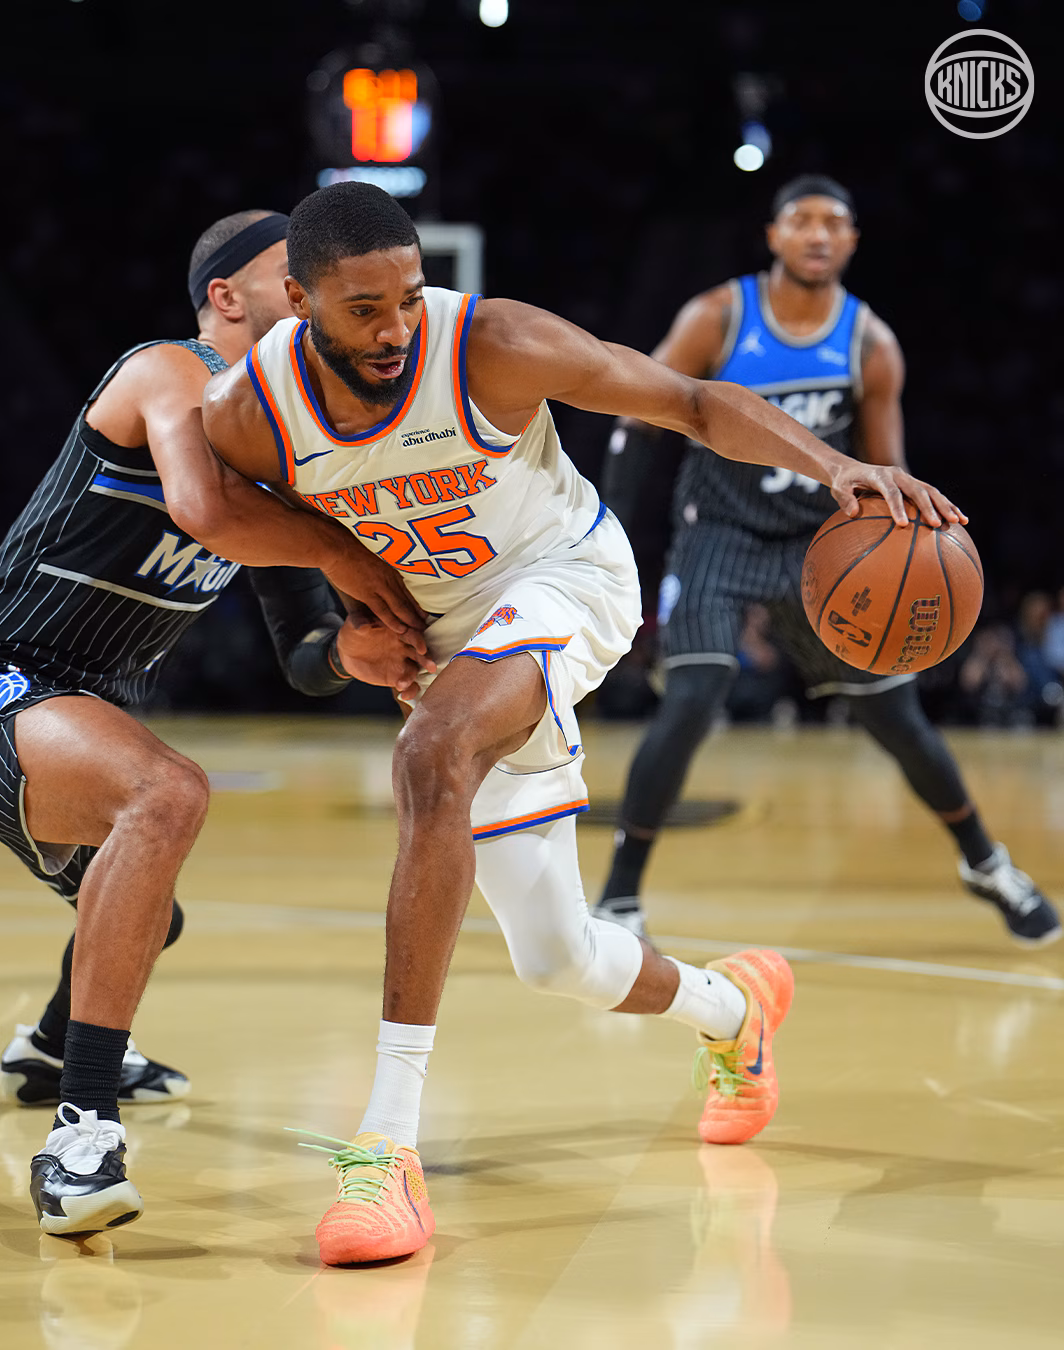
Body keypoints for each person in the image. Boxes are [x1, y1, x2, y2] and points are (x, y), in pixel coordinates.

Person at [202, 180, 963, 1266]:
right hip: (455, 642)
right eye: (364, 309)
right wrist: (336, 621)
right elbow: (251, 538)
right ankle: (734, 1009)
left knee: (430, 755)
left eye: (409, 297)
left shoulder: (492, 345)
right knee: (556, 956)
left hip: (568, 581)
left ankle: (386, 1147)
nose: (395, 328)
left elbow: (691, 402)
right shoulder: (248, 412)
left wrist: (840, 468)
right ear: (298, 298)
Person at [0, 208, 434, 1238]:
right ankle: (80, 1135)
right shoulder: (168, 371)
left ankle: (48, 1050)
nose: (309, 289)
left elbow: (304, 657)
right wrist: (341, 549)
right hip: (1, 678)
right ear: (226, 297)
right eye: (289, 274)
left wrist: (352, 655)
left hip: (76, 706)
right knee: (165, 794)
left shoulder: (277, 461)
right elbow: (201, 510)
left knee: (150, 914)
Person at [593, 174, 1060, 948]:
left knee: (896, 718)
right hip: (719, 532)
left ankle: (986, 863)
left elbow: (886, 467)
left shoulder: (870, 343)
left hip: (827, 547)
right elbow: (637, 416)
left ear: (852, 241)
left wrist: (919, 545)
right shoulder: (719, 316)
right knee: (695, 695)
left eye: (833, 223)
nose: (817, 234)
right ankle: (619, 894)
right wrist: (608, 532)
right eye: (801, 220)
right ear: (773, 235)